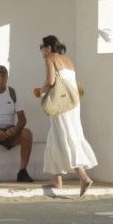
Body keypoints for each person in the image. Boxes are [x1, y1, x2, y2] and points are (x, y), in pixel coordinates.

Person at [32, 33, 96, 196]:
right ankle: (57, 180)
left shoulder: (50, 58)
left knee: (65, 137)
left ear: (48, 47)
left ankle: (83, 177)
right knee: (56, 137)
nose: (41, 51)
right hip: (72, 103)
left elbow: (51, 81)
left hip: (61, 105)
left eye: (41, 47)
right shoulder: (68, 60)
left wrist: (40, 91)